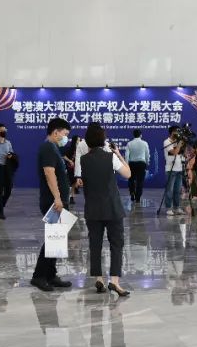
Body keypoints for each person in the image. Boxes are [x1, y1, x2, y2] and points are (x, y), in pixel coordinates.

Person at [81, 123, 133, 297]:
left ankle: (99, 278)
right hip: (112, 208)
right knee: (116, 244)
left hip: (92, 209)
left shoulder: (83, 160)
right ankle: (114, 281)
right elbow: (127, 174)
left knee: (95, 244)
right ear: (103, 139)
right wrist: (118, 154)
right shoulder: (111, 157)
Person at [31, 118, 73, 292]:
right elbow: (49, 173)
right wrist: (57, 197)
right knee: (54, 238)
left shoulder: (53, 148)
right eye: (65, 134)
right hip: (53, 201)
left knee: (58, 239)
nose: (66, 138)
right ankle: (39, 276)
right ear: (55, 132)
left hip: (58, 200)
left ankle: (50, 274)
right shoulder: (48, 147)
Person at [160, 126, 186, 217]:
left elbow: (182, 153)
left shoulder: (179, 141)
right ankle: (168, 208)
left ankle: (177, 207)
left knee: (177, 190)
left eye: (179, 132)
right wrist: (179, 144)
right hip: (170, 169)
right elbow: (174, 152)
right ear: (171, 132)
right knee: (169, 190)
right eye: (176, 132)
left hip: (179, 168)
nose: (178, 134)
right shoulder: (166, 142)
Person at [124, 129, 149, 205]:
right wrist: (147, 163)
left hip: (132, 164)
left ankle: (132, 192)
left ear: (133, 135)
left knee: (131, 180)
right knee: (140, 181)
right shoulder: (144, 143)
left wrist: (126, 165)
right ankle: (138, 198)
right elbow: (147, 154)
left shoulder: (129, 143)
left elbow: (126, 155)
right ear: (140, 135)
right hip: (141, 163)